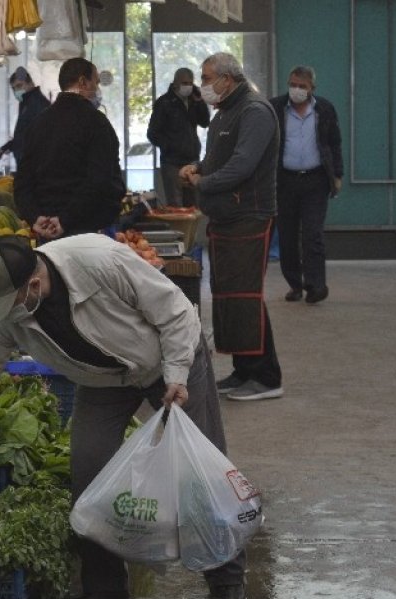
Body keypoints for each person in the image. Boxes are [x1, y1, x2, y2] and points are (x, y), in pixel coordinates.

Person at [0, 234, 249, 599]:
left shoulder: (99, 260)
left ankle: (226, 579)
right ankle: (105, 589)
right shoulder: (11, 313)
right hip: (102, 382)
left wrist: (177, 373)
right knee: (89, 476)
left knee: (199, 474)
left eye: (10, 302)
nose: (4, 312)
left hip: (169, 359)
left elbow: (176, 311)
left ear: (35, 285)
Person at [179, 52, 283, 401]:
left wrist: (202, 184)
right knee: (229, 295)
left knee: (244, 295)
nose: (203, 85)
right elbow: (216, 160)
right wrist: (197, 166)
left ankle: (266, 377)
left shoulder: (254, 111)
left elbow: (242, 166)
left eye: (207, 78)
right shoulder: (226, 111)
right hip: (226, 217)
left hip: (247, 216)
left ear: (228, 77)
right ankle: (244, 370)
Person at [15, 57, 126, 241]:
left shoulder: (38, 124)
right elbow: (100, 180)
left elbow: (22, 181)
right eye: (96, 82)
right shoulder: (97, 123)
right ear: (83, 82)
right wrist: (65, 220)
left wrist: (35, 217)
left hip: (46, 233)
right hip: (87, 232)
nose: (98, 90)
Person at [269, 65, 344, 304]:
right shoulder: (275, 108)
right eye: (293, 84)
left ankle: (316, 285)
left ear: (312, 88)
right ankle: (295, 284)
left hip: (316, 180)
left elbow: (334, 143)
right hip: (285, 181)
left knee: (313, 235)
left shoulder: (325, 109)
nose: (297, 90)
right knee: (288, 236)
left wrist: (338, 175)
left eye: (302, 86)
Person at [147, 67, 210, 207]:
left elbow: (205, 122)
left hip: (192, 162)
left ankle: (189, 230)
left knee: (193, 205)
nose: (187, 86)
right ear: (175, 83)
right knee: (176, 205)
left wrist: (200, 101)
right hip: (172, 163)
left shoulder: (193, 101)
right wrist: (170, 146)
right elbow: (153, 133)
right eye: (184, 83)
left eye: (190, 83)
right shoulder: (164, 103)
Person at [0, 67, 51, 165]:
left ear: (30, 83)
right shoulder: (26, 103)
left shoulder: (38, 103)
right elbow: (23, 134)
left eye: (19, 86)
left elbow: (41, 138)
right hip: (27, 164)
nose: (16, 90)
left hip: (35, 166)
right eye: (14, 88)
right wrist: (6, 147)